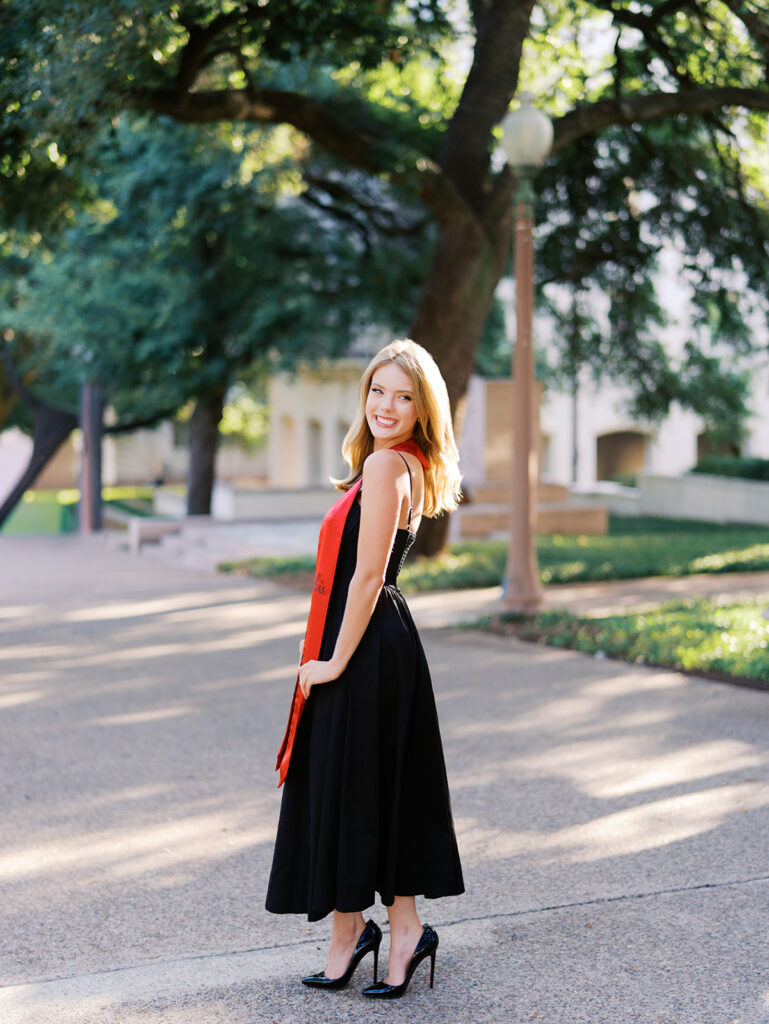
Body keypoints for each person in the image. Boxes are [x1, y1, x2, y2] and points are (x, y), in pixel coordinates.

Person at [265, 339, 465, 999]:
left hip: (365, 643)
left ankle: (380, 933)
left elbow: (368, 577)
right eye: (378, 391)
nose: (387, 405)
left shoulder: (386, 468)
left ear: (421, 407)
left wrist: (331, 663)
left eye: (403, 397)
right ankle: (370, 931)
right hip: (385, 640)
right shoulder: (400, 462)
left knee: (353, 786)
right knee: (372, 784)